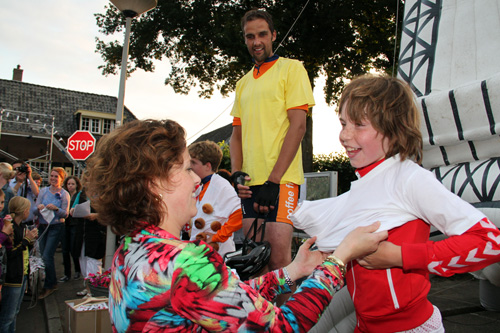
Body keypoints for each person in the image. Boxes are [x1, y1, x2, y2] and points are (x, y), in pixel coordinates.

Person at [85, 119, 387, 332]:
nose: (194, 179)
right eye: (185, 168)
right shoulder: (185, 262)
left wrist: (292, 272)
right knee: (350, 306)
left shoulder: (131, 249)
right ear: (155, 184)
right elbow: (281, 326)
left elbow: (223, 296)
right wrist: (339, 259)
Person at [291, 74, 500, 332]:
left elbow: (489, 242)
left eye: (358, 125)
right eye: (343, 123)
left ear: (393, 128)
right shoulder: (364, 185)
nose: (344, 135)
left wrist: (399, 256)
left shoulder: (411, 179)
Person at [229, 9, 315, 292]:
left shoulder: (292, 69)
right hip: (250, 185)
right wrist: (236, 174)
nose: (256, 41)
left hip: (281, 181)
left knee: (279, 262)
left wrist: (274, 180)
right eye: (250, 36)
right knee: (254, 263)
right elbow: (236, 136)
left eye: (262, 34)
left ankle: (287, 323)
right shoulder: (242, 83)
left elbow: (298, 127)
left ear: (274, 35)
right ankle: (260, 322)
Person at [188, 140, 242, 257]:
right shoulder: (200, 187)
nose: (189, 166)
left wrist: (218, 236)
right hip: (200, 254)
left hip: (218, 255)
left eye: (193, 162)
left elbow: (239, 214)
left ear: (207, 166)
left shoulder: (221, 185)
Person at [0, 196, 38, 332]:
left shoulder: (21, 226)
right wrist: (27, 240)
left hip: (22, 274)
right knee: (7, 316)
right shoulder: (11, 228)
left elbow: (24, 249)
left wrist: (30, 240)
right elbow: (11, 253)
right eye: (28, 209)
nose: (29, 212)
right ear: (23, 211)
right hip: (13, 276)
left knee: (15, 312)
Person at [35, 167, 70, 299]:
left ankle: (49, 285)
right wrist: (38, 208)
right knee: (44, 256)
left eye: (56, 176)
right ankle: (51, 282)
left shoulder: (64, 194)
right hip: (43, 226)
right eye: (52, 176)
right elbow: (35, 209)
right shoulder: (43, 191)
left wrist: (56, 208)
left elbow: (65, 214)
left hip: (56, 226)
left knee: (47, 255)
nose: (53, 179)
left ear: (61, 179)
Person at [59, 176, 84, 282]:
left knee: (74, 248)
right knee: (65, 249)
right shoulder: (64, 195)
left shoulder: (79, 195)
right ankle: (67, 273)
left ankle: (77, 270)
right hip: (65, 224)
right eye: (68, 184)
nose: (70, 186)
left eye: (72, 184)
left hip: (75, 224)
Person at [10, 161, 39, 226]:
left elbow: (37, 193)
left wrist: (29, 176)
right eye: (15, 169)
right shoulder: (10, 182)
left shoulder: (30, 182)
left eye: (20, 168)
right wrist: (19, 182)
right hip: (15, 222)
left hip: (29, 221)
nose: (18, 171)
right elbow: (11, 195)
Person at [0, 189, 13, 301]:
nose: (1, 206)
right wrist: (4, 234)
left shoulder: (1, 221)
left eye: (2, 202)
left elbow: (8, 246)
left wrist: (9, 238)